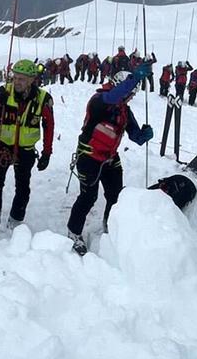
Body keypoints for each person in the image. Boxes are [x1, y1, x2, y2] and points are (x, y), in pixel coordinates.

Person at [65, 65, 155, 254]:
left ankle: (110, 227)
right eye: (130, 93)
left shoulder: (124, 110)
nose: (131, 98)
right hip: (89, 156)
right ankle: (74, 232)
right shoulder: (99, 100)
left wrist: (145, 135)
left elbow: (135, 137)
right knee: (88, 197)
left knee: (115, 196)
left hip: (110, 159)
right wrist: (136, 77)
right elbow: (112, 97)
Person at [0, 59, 55, 234]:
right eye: (15, 78)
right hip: (3, 145)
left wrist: (47, 153)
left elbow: (49, 126)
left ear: (32, 80)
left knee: (23, 186)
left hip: (26, 150)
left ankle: (16, 219)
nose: (17, 82)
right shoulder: (4, 92)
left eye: (21, 79)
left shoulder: (43, 99)